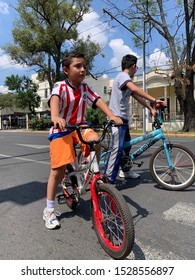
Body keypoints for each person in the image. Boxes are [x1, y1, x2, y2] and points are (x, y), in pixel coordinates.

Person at [43, 52, 123, 230]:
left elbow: (98, 100)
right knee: (57, 170)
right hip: (62, 128)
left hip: (81, 126)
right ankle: (48, 210)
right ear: (66, 70)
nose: (82, 69)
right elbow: (54, 100)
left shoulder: (85, 87)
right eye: (77, 66)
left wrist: (112, 116)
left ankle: (91, 167)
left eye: (84, 66)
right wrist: (55, 117)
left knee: (96, 140)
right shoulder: (60, 86)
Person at [104, 54, 164, 184]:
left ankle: (125, 171)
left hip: (123, 119)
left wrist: (150, 108)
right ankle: (107, 181)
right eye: (136, 67)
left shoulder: (125, 79)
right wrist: (154, 100)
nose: (136, 70)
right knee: (117, 149)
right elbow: (135, 88)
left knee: (126, 147)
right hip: (116, 119)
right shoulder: (123, 76)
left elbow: (137, 96)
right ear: (133, 66)